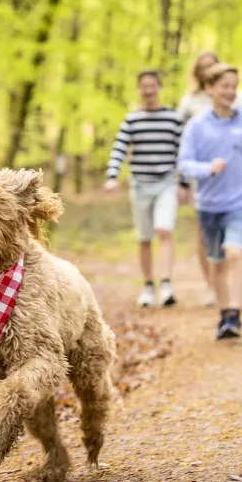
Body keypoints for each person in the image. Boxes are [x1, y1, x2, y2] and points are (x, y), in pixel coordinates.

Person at [178, 63, 242, 340]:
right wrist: (207, 168)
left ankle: (235, 312)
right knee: (217, 262)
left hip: (239, 201)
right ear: (209, 88)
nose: (230, 92)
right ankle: (224, 316)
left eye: (234, 87)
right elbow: (184, 163)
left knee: (235, 253)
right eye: (224, 86)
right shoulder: (196, 126)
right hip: (208, 204)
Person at [104, 69, 185, 308]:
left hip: (166, 183)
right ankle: (149, 286)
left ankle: (167, 284)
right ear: (139, 89)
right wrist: (112, 176)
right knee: (144, 236)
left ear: (159, 88)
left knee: (164, 230)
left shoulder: (173, 118)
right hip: (140, 184)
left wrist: (184, 183)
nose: (148, 90)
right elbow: (119, 148)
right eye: (144, 86)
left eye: (152, 85)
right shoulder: (132, 119)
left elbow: (183, 152)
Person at [177, 50, 242, 308]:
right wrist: (183, 181)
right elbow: (182, 144)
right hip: (202, 176)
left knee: (230, 234)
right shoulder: (189, 102)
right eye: (203, 67)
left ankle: (223, 284)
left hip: (232, 176)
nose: (207, 69)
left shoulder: (238, 99)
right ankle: (211, 286)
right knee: (203, 234)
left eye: (212, 65)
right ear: (198, 74)